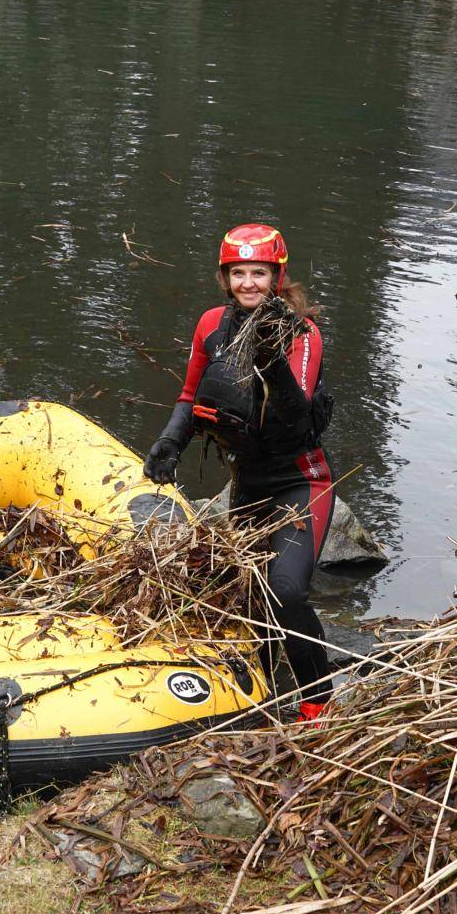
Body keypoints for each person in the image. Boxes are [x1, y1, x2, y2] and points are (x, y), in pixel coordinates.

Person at [144, 224, 336, 724]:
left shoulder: (301, 330)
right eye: (238, 273)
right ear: (225, 277)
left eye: (260, 273)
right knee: (250, 589)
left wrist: (271, 364)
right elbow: (191, 397)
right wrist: (170, 444)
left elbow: (295, 420)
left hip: (299, 480)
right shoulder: (211, 324)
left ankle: (318, 701)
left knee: (287, 590)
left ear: (277, 276)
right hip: (247, 482)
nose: (249, 283)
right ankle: (265, 681)